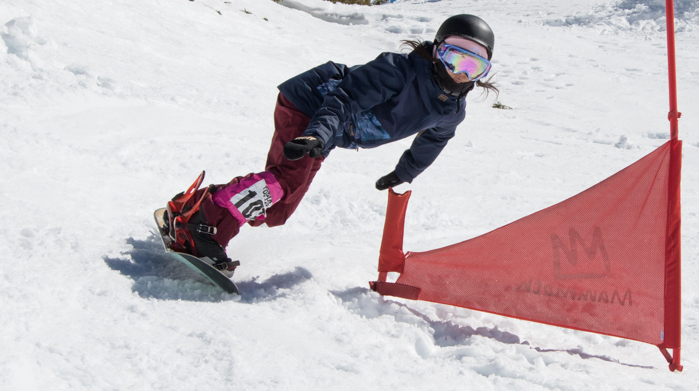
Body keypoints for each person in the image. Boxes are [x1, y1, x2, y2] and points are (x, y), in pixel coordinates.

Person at [158, 15, 497, 279]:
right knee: (285, 181)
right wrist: (319, 134)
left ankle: (198, 215)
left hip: (327, 132)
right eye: (454, 58)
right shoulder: (399, 70)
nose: (460, 73)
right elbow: (346, 98)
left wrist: (402, 172)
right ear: (437, 50)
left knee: (279, 210)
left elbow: (433, 141)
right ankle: (201, 225)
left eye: (473, 66)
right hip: (311, 105)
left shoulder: (451, 110)